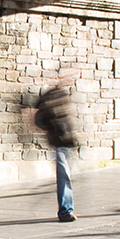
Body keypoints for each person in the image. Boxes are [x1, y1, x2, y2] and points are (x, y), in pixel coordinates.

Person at [28, 69, 81, 222]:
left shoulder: (64, 95)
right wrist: (52, 130)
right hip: (59, 141)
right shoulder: (49, 96)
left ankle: (66, 209)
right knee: (64, 177)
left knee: (67, 176)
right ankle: (65, 211)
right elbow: (37, 118)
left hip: (68, 141)